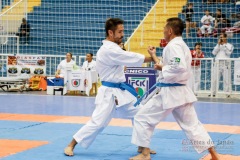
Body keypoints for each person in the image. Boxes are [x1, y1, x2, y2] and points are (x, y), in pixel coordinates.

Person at [129, 17, 220, 160]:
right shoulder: (180, 45)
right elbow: (171, 66)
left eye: (165, 29)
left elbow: (178, 67)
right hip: (181, 92)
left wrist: (162, 67)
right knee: (193, 126)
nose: (163, 32)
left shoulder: (173, 46)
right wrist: (154, 56)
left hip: (170, 93)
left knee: (142, 117)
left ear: (170, 30)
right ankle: (214, 154)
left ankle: (145, 154)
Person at [64, 18, 155, 157]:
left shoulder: (113, 47)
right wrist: (152, 57)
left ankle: (142, 146)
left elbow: (125, 57)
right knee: (98, 122)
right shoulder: (108, 50)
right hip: (108, 92)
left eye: (123, 31)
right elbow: (129, 56)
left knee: (140, 114)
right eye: (120, 32)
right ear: (110, 33)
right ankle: (71, 145)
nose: (122, 34)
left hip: (121, 91)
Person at [212, 33, 234, 97]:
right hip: (217, 63)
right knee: (215, 79)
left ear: (225, 37)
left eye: (222, 37)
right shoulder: (218, 45)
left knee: (227, 79)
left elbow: (228, 53)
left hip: (226, 64)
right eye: (220, 37)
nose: (221, 39)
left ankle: (227, 93)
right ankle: (213, 92)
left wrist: (224, 46)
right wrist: (218, 45)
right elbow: (213, 53)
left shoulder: (230, 45)